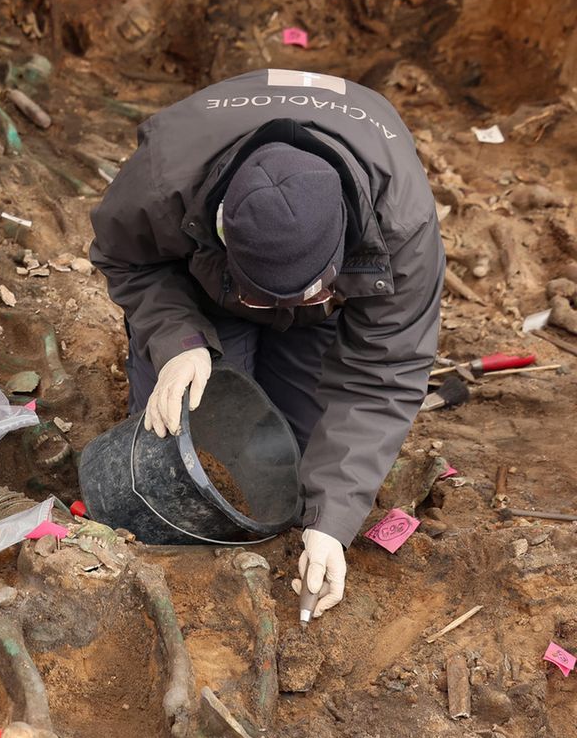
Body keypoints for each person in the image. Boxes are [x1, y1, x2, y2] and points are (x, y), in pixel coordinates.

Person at [88, 69, 443, 622]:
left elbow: (384, 372)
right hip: (205, 294)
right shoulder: (162, 181)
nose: (274, 309)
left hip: (323, 312)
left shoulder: (401, 229)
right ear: (222, 231)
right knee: (181, 458)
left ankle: (294, 305)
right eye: (262, 296)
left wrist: (331, 525)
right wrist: (178, 339)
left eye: (301, 291)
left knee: (289, 475)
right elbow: (127, 259)